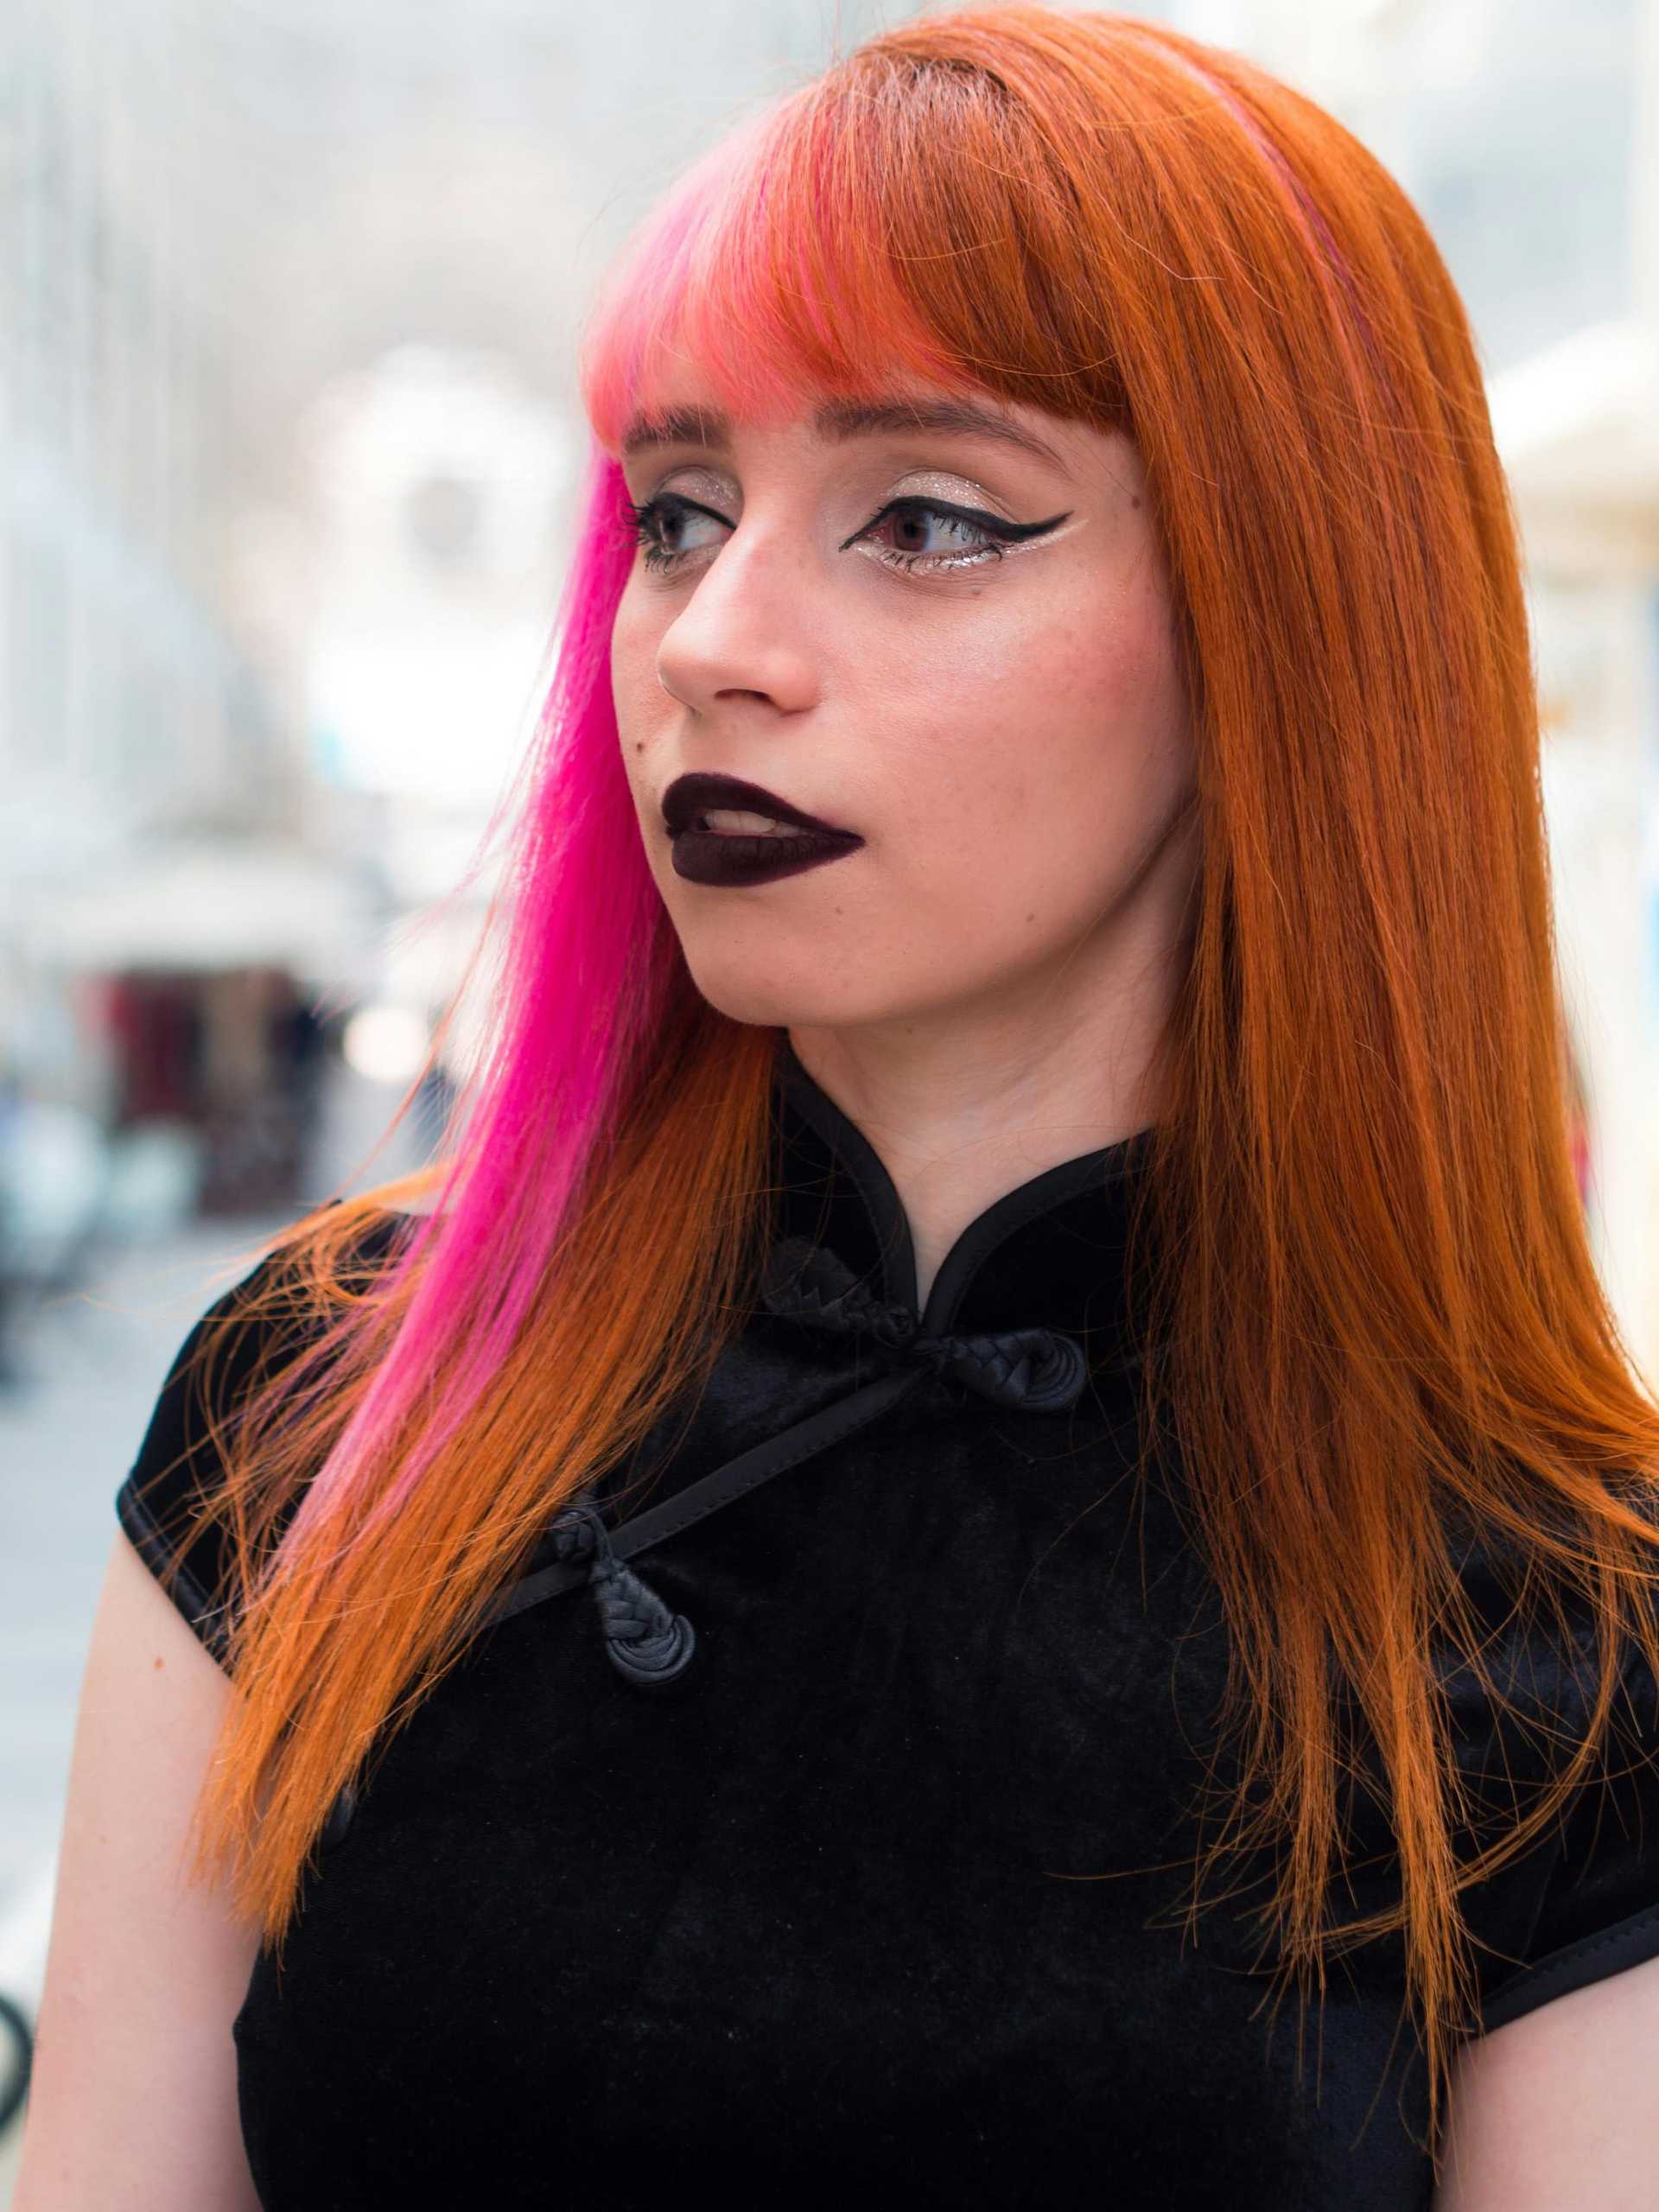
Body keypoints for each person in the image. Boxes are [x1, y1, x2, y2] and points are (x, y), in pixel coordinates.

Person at [17, 9, 1659, 2207]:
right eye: (677, 512)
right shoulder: (331, 1399)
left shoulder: (1564, 1628)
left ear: (1293, 622)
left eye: (928, 517)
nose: (711, 636)